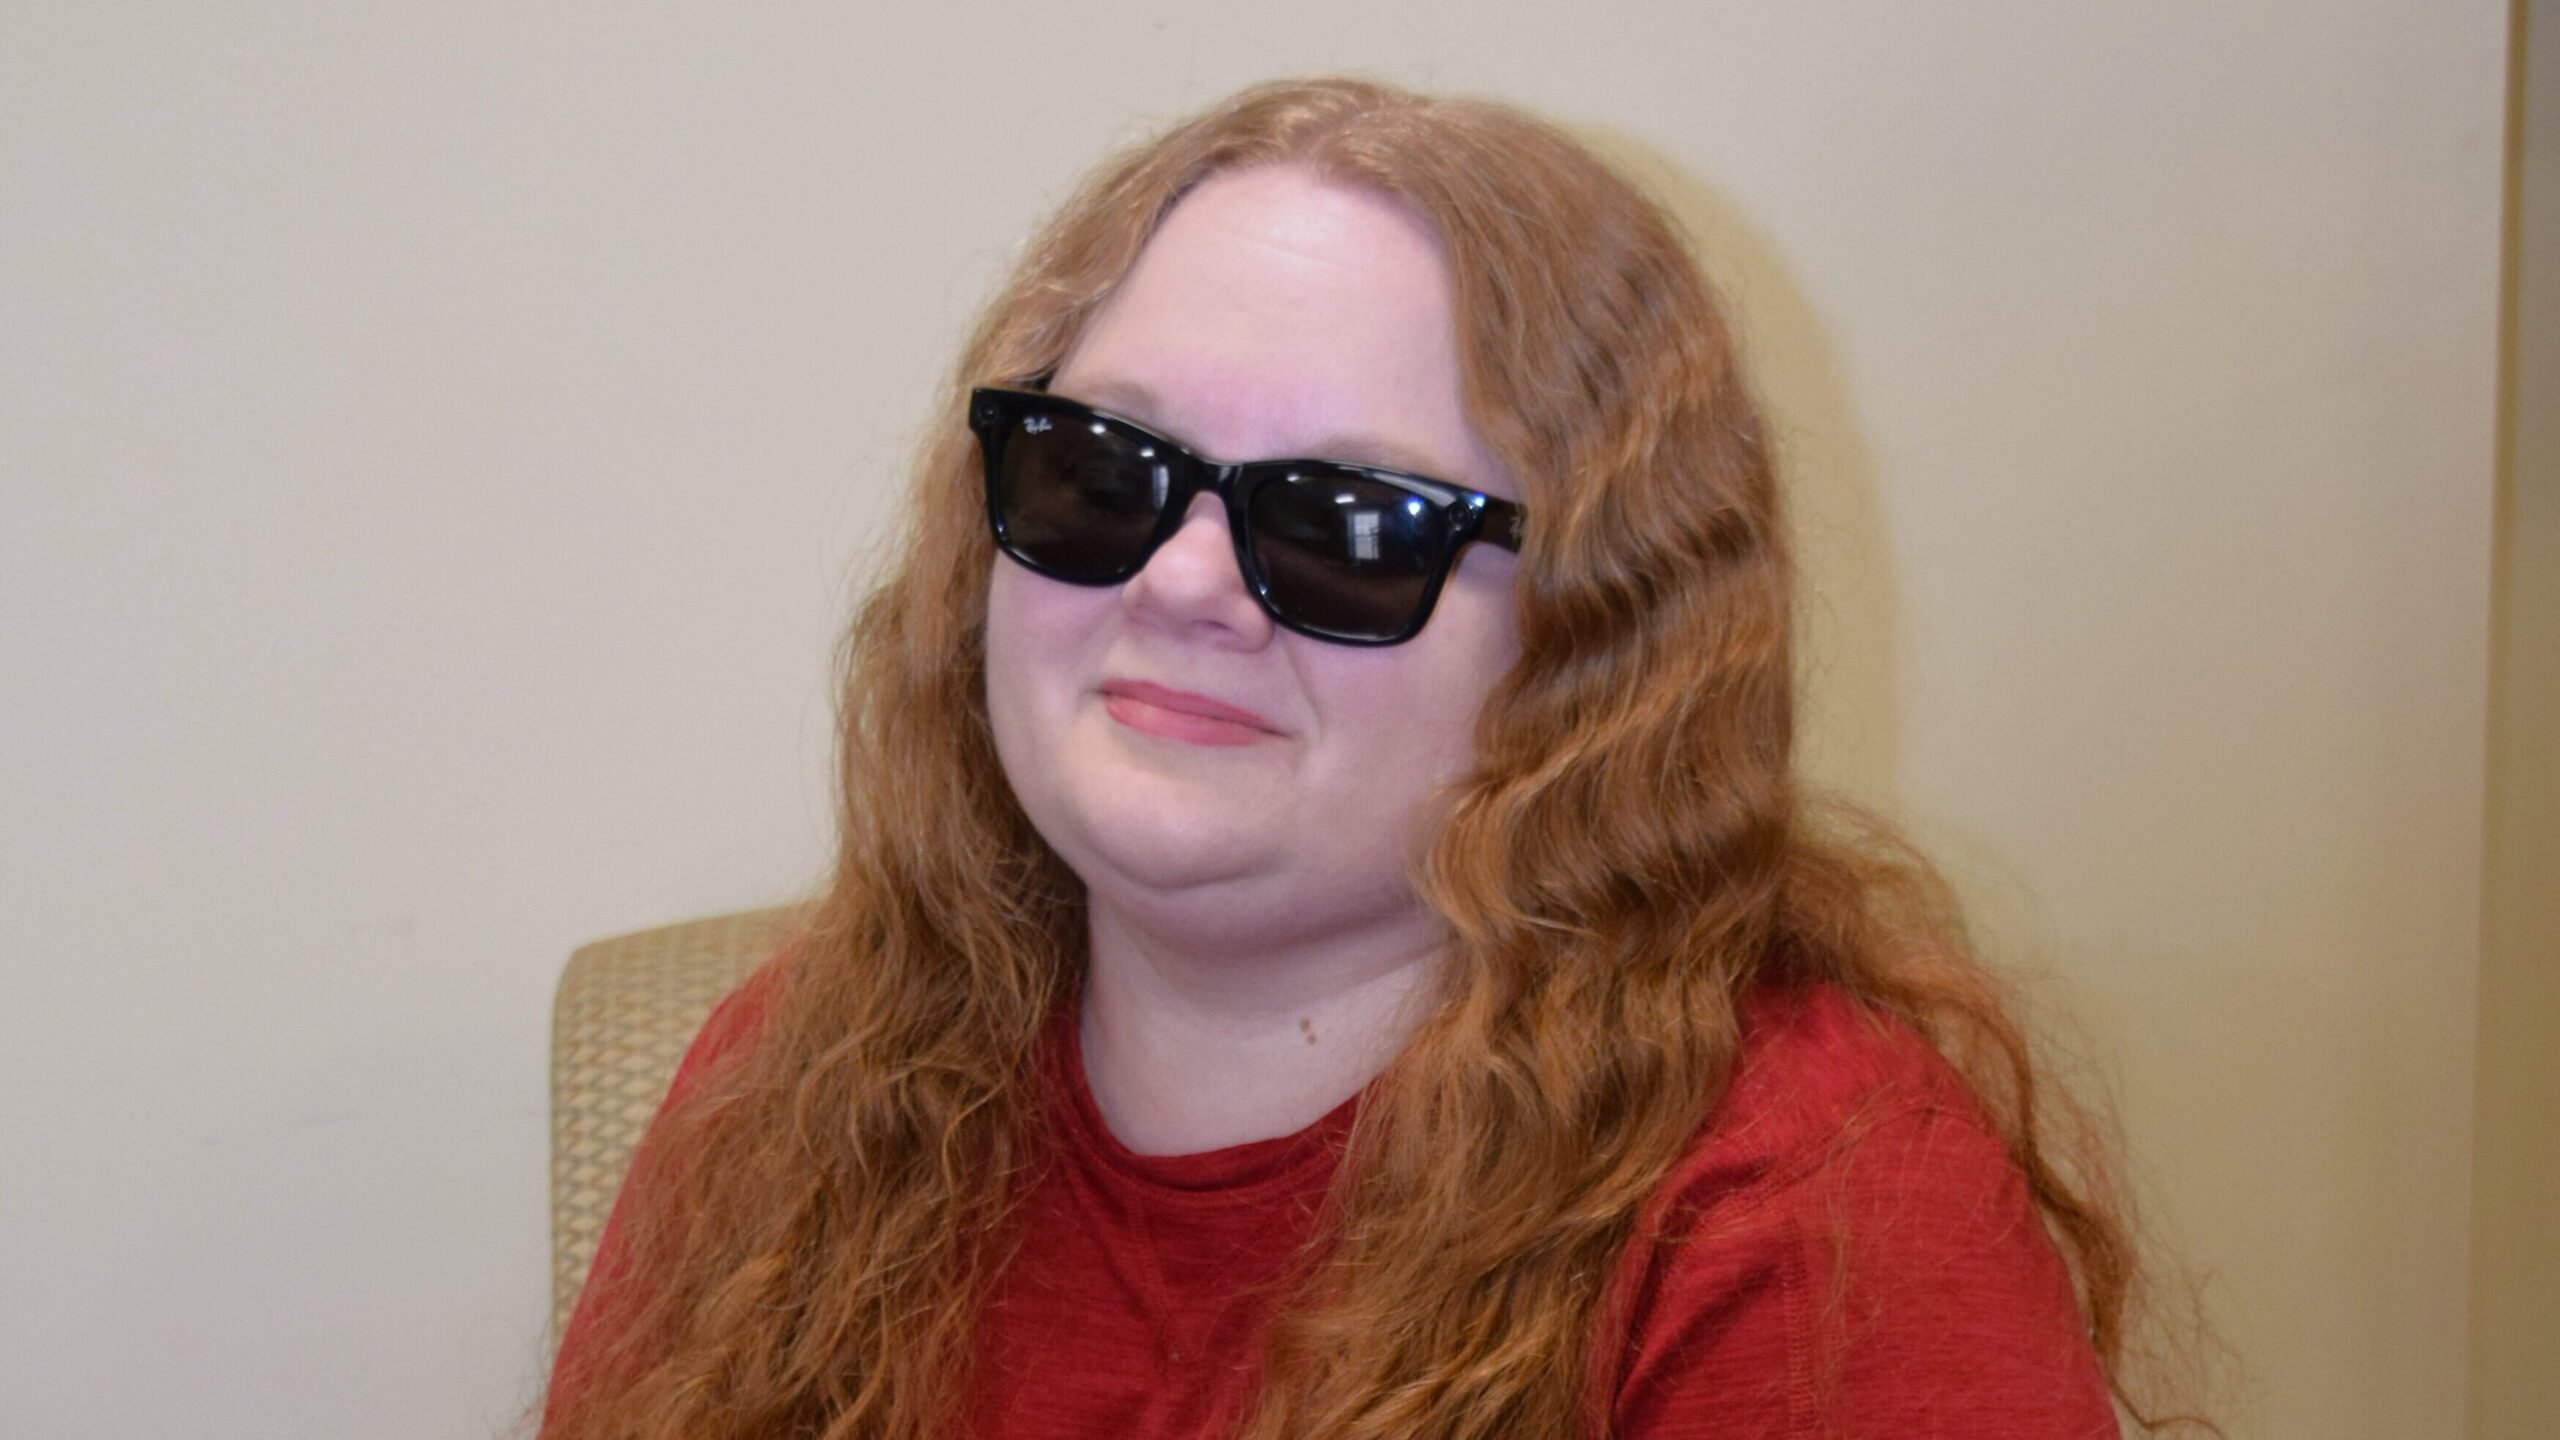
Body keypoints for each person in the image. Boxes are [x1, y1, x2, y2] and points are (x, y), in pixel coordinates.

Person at [539, 77, 2212, 1440]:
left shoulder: (1810, 1217)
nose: (1182, 581)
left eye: (1347, 526)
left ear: (1591, 647)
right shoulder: (801, 1077)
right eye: (1102, 469)